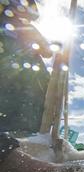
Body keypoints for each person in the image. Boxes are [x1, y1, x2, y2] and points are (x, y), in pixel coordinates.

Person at [0, 0, 52, 133]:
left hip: (18, 84)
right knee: (25, 122)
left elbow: (47, 52)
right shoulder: (24, 26)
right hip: (28, 85)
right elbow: (47, 52)